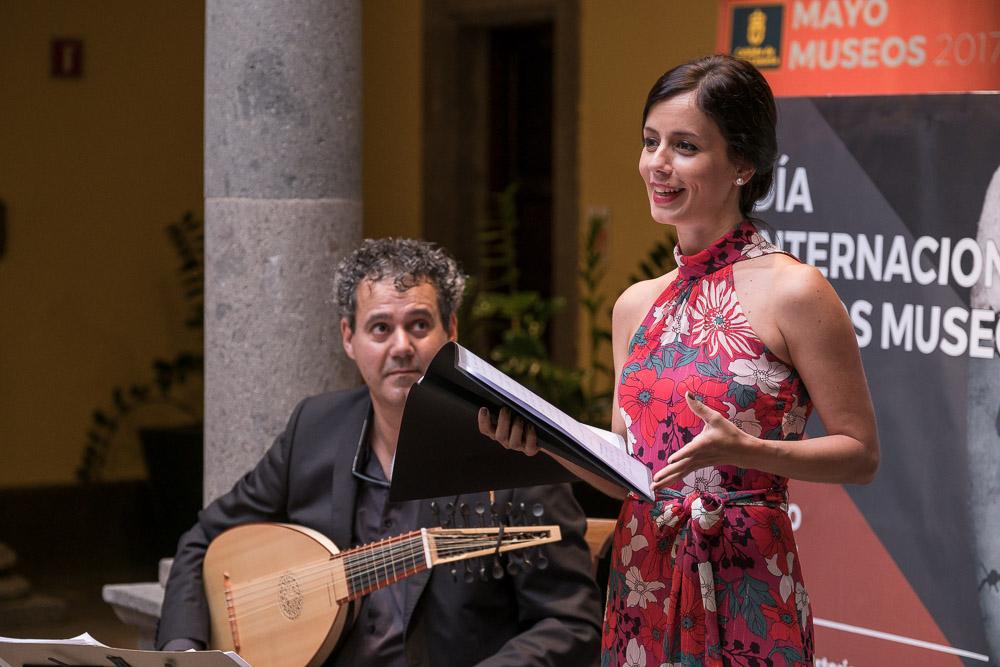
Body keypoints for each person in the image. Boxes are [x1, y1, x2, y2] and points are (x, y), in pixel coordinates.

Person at [479, 55, 879, 666]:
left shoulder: (794, 291)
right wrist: (544, 443)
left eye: (685, 146)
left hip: (747, 575)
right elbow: (629, 469)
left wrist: (748, 451)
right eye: (650, 142)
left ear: (743, 164)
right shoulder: (634, 305)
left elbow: (860, 452)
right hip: (644, 569)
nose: (657, 164)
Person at [156, 238, 602, 666]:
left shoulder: (512, 452)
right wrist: (186, 650)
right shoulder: (315, 430)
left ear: (451, 332)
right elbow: (202, 541)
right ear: (349, 337)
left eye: (420, 325)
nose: (401, 346)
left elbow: (570, 622)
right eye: (381, 328)